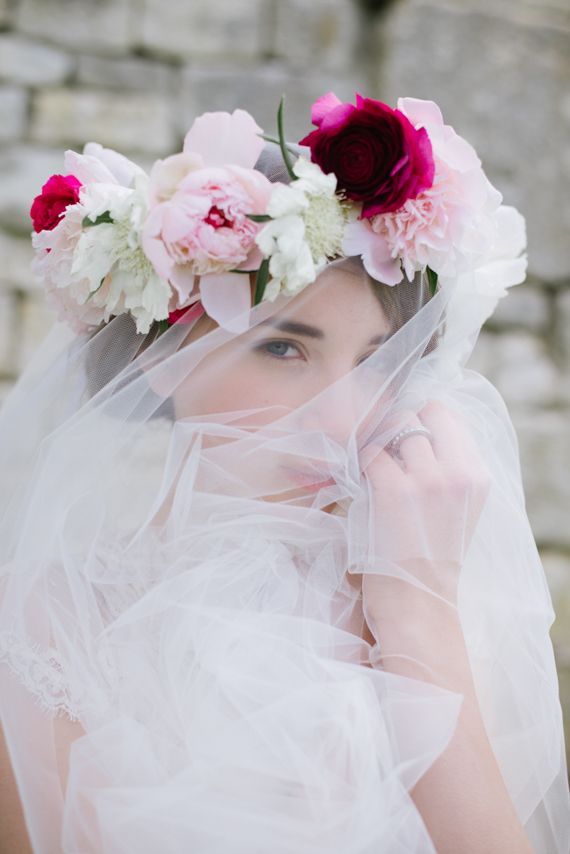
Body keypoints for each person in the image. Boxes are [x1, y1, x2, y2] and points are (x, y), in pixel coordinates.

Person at [0, 93, 568, 853]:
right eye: (284, 348)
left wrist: (417, 618)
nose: (343, 420)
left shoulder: (439, 599)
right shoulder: (59, 634)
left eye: (377, 362)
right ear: (165, 358)